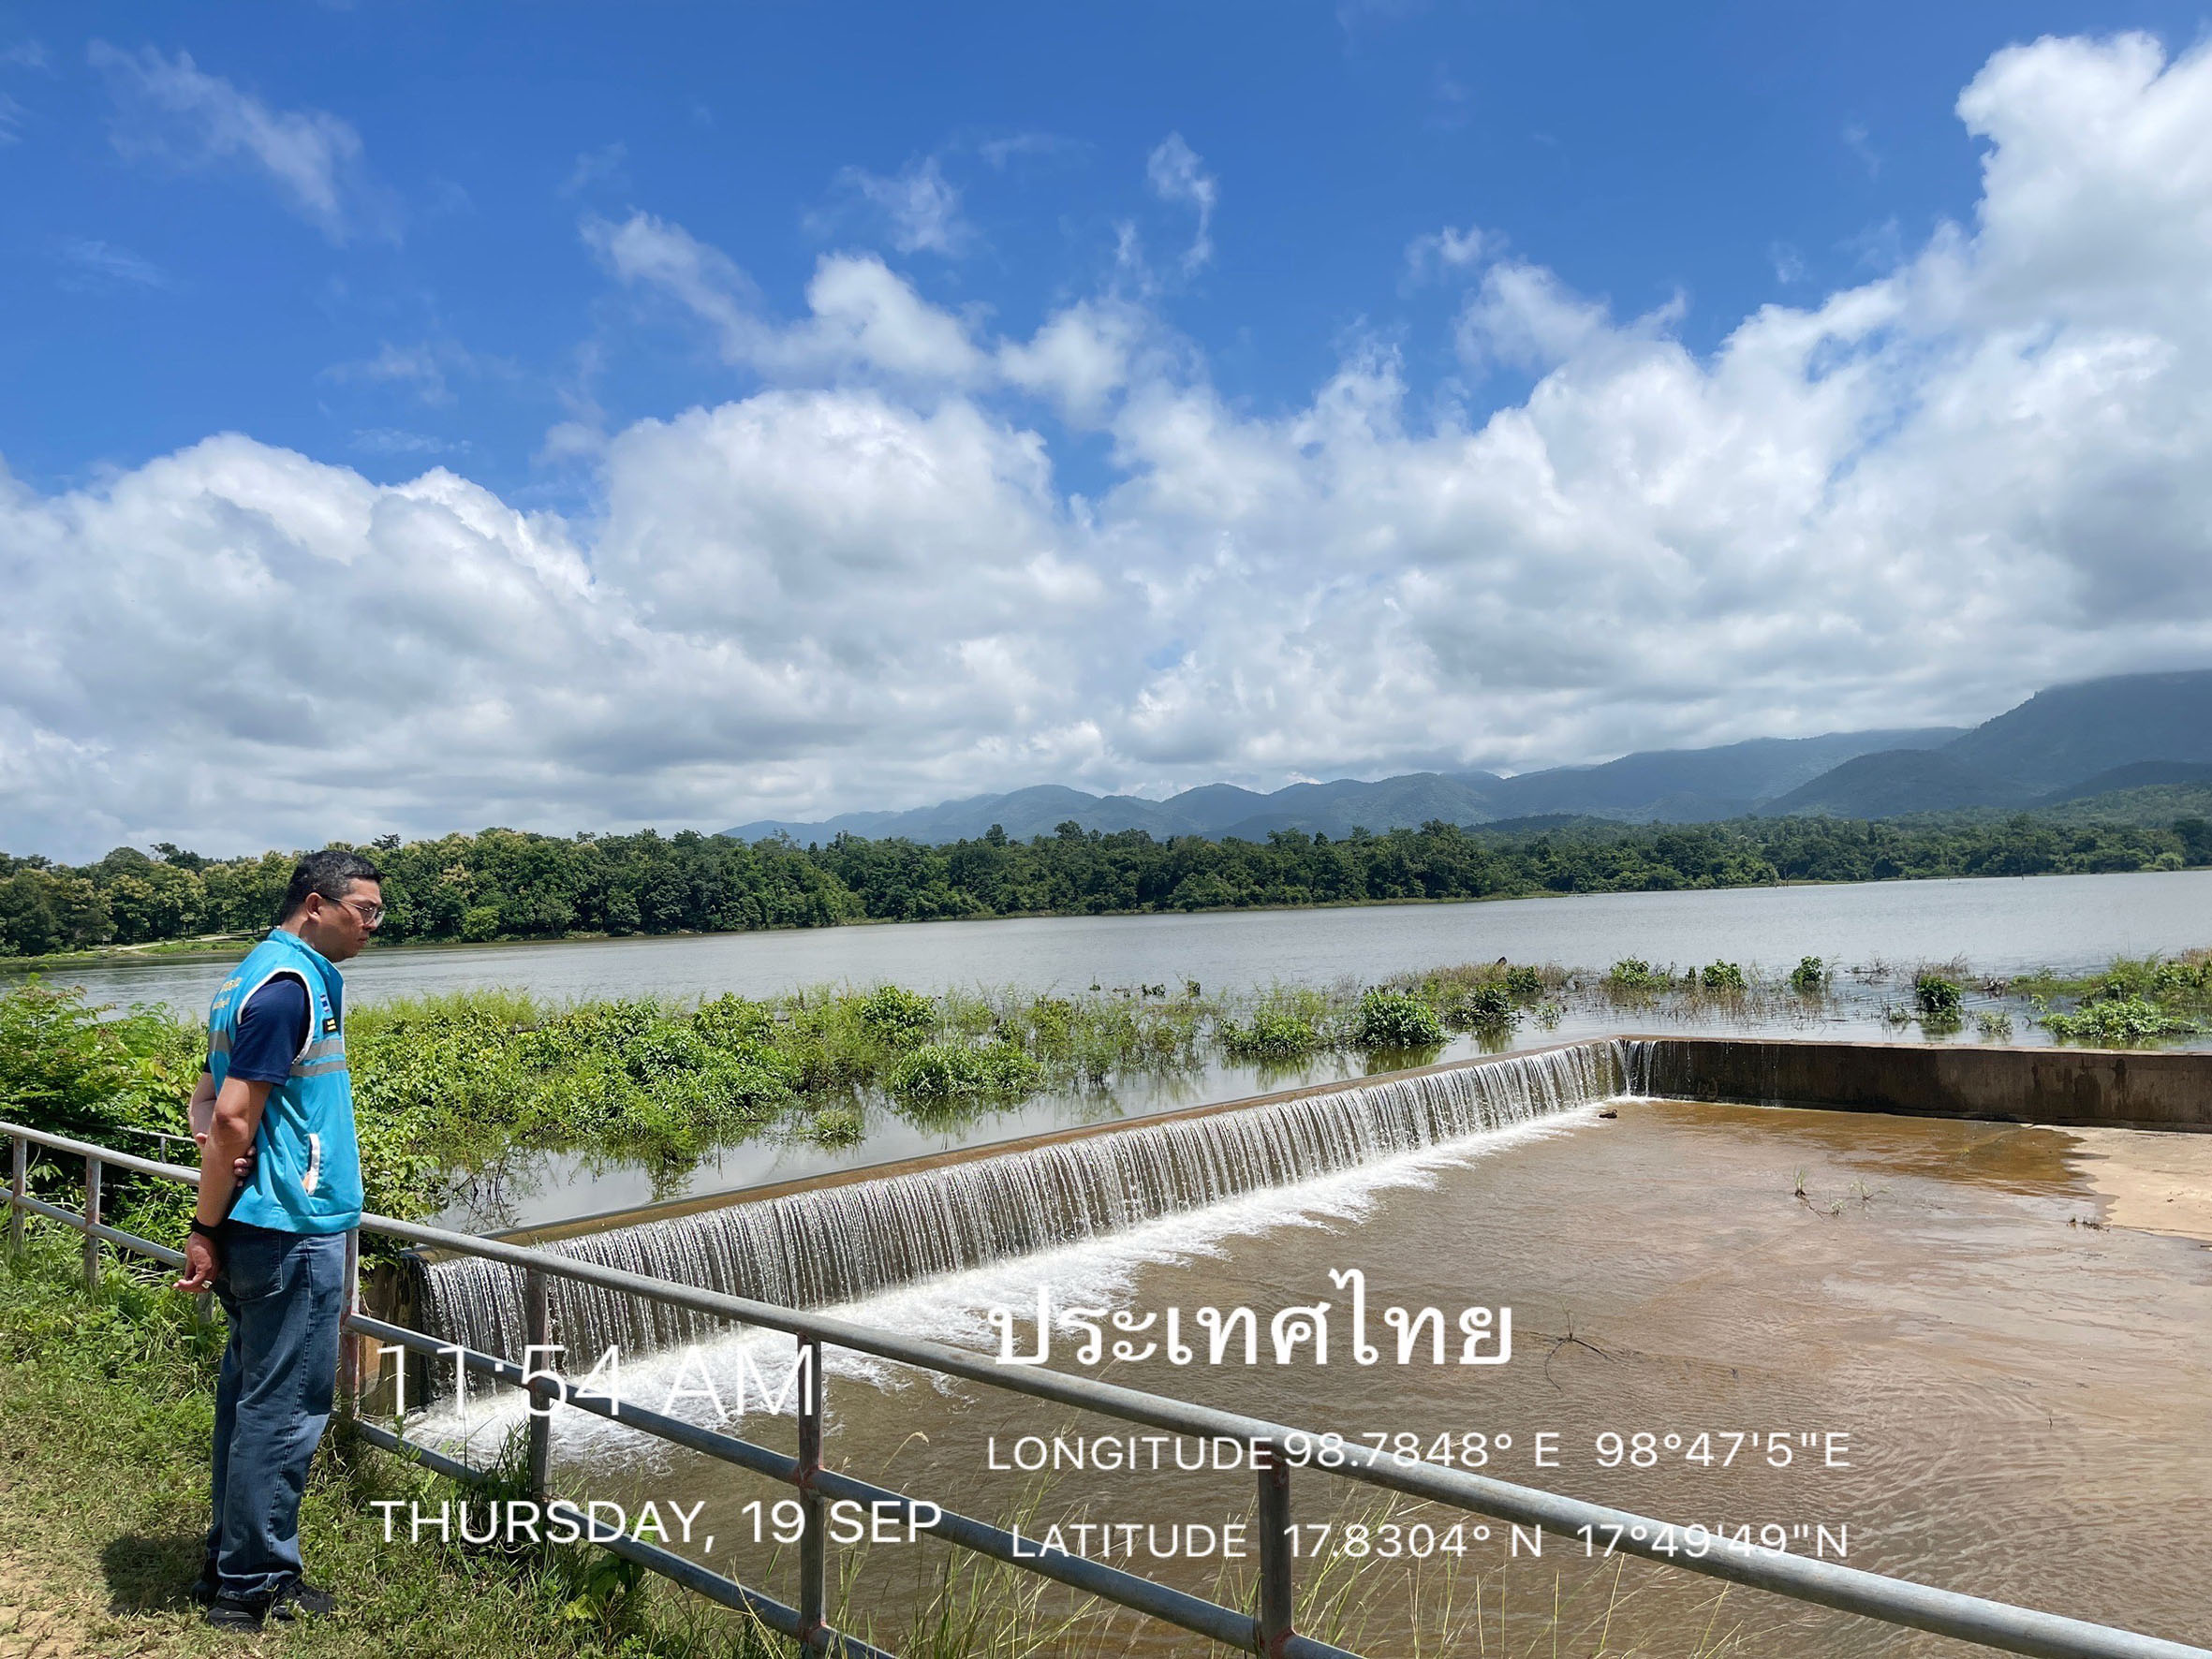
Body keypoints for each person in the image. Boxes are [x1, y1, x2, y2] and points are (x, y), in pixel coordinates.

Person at [175, 849, 383, 1630]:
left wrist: (221, 1198)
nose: (373, 927)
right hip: (291, 1231)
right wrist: (205, 1220)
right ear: (314, 906)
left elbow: (203, 1104)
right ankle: (251, 1585)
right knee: (286, 1409)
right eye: (363, 911)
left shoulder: (245, 978)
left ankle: (229, 1559)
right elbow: (228, 1116)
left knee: (247, 1397)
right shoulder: (288, 988)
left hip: (258, 1225)